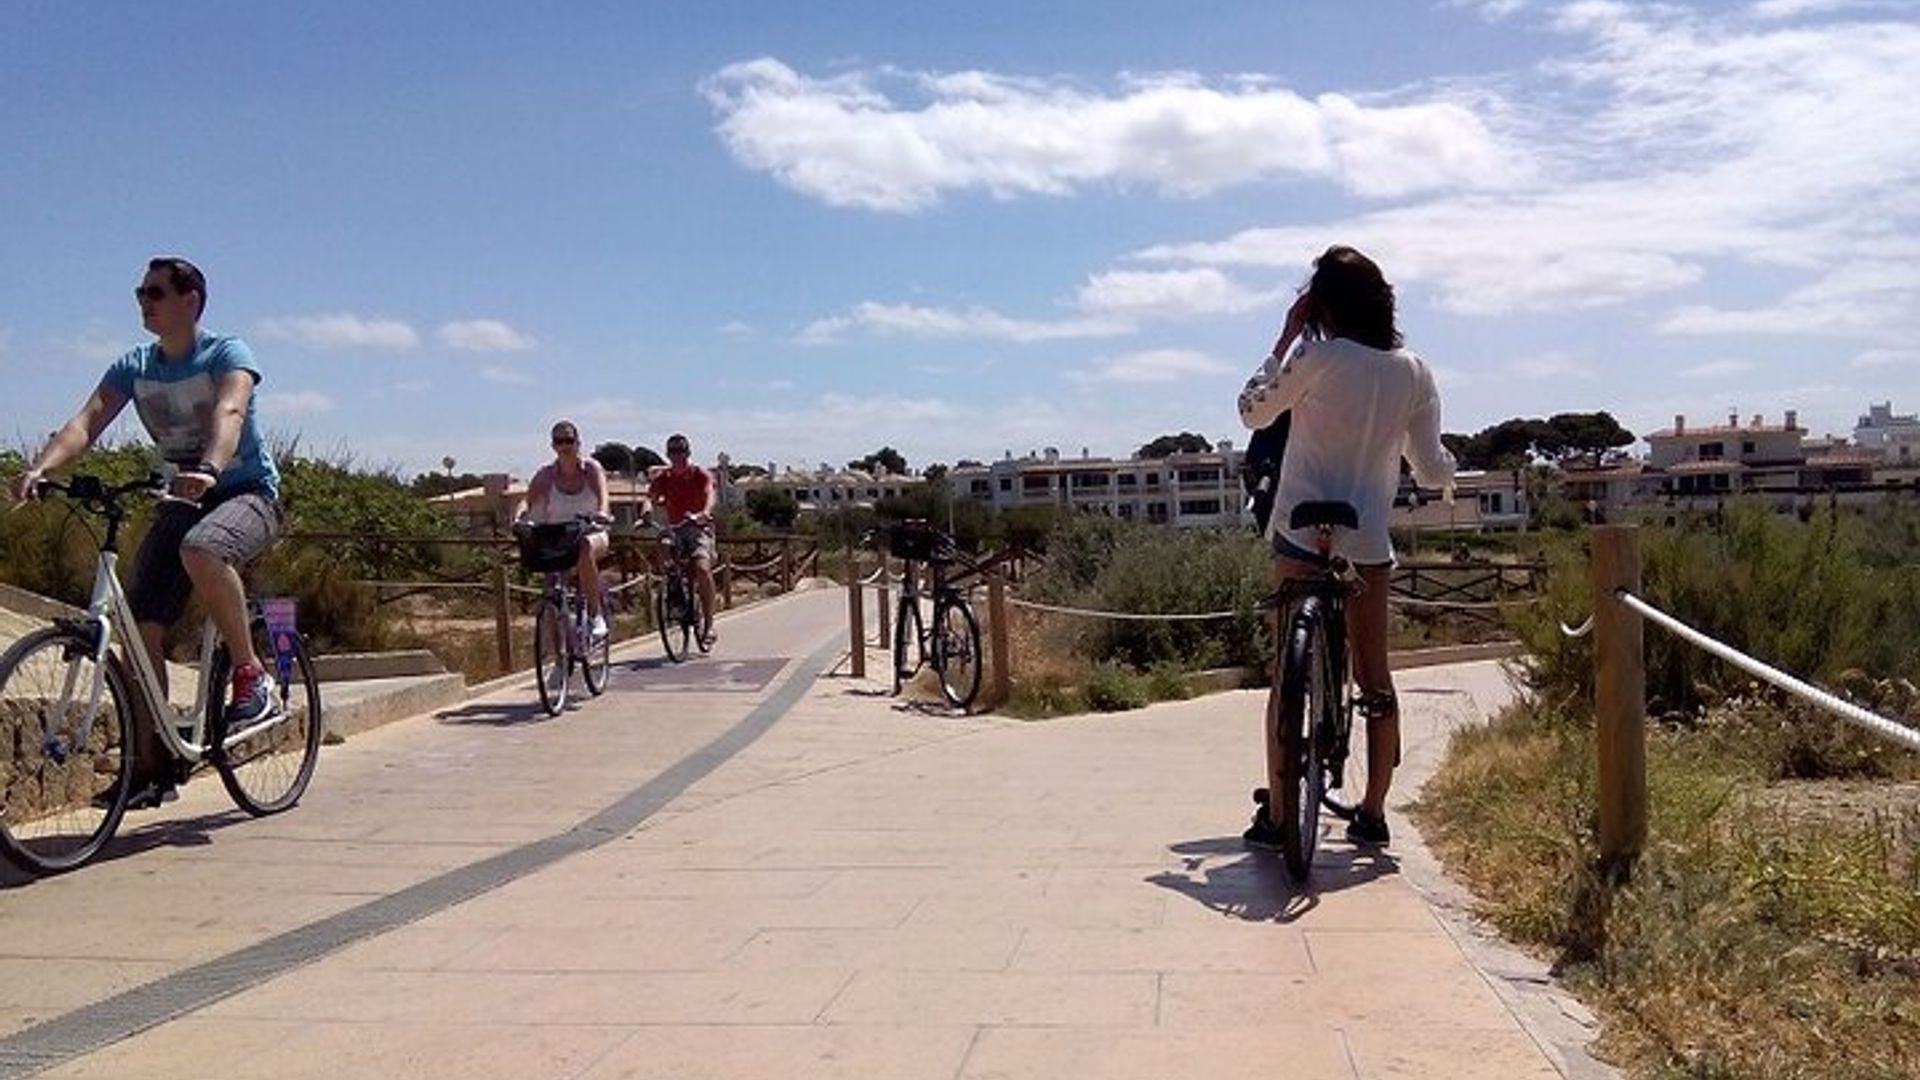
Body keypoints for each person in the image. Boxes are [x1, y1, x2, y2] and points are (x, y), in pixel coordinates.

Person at [9, 257, 283, 809]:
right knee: (142, 630)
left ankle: (253, 677)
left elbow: (230, 411)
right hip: (178, 495)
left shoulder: (228, 354)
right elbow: (87, 421)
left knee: (203, 548)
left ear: (192, 301)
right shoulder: (135, 365)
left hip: (246, 493)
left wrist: (208, 467)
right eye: (140, 292)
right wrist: (41, 468)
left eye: (154, 292)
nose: (144, 301)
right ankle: (155, 766)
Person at [1237, 245, 1455, 849]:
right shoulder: (1412, 371)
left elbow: (1254, 413)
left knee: (1287, 673)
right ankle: (1374, 812)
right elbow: (1432, 467)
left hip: (1299, 529)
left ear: (1321, 304)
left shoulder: (1315, 357)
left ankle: (1281, 815)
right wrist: (1450, 473)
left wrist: (1282, 338)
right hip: (1364, 538)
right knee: (1375, 676)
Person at [517, 420, 613, 639]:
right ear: (553, 446)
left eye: (569, 440)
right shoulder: (546, 475)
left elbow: (603, 496)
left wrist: (602, 513)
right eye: (559, 441)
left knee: (585, 546)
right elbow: (526, 502)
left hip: (592, 530)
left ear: (578, 442)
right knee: (551, 590)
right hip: (559, 536)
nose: (564, 445)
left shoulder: (591, 469)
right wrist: (519, 516)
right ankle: (559, 659)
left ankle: (595, 615)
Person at [647, 432, 718, 647]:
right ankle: (672, 585)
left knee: (703, 569)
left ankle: (709, 623)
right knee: (664, 542)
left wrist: (704, 513)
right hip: (675, 528)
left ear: (689, 452)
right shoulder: (664, 477)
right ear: (668, 455)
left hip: (698, 528)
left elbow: (710, 494)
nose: (678, 456)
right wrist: (645, 513)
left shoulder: (700, 474)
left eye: (682, 451)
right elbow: (649, 498)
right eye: (673, 452)